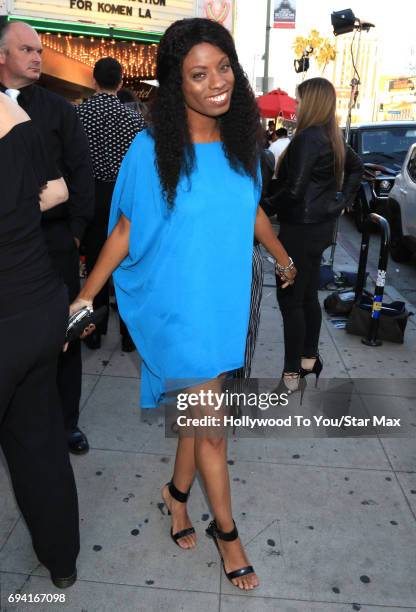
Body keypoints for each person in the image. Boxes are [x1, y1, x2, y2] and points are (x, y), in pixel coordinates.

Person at [70, 18, 296, 591]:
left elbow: (250, 211)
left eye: (223, 68)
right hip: (179, 307)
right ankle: (230, 537)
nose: (216, 82)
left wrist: (283, 257)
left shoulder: (241, 146)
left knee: (199, 417)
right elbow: (123, 229)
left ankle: (175, 497)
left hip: (220, 303)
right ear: (177, 84)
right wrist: (86, 293)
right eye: (199, 74)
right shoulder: (150, 151)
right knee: (214, 429)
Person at [0, 21, 94, 455]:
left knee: (63, 336)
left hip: (52, 243)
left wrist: (75, 234)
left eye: (39, 50)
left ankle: (66, 422)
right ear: (3, 56)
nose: (37, 57)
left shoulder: (59, 110)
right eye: (27, 50)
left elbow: (81, 174)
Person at [0, 92, 80, 589]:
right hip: (37, 305)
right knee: (39, 445)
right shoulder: (15, 112)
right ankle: (62, 562)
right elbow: (56, 191)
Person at [265, 77, 363, 396]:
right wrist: (336, 203)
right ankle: (308, 361)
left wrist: (263, 206)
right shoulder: (330, 135)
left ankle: (292, 376)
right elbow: (356, 169)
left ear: (313, 102)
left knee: (291, 300)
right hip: (317, 230)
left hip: (300, 230)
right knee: (306, 297)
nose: (298, 105)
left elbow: (294, 190)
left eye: (301, 99)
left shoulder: (309, 136)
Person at [76, 57, 145, 352]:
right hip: (125, 195)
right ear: (120, 82)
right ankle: (130, 337)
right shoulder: (133, 119)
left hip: (90, 194)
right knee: (126, 263)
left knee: (95, 261)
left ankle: (93, 330)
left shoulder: (78, 114)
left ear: (94, 80)